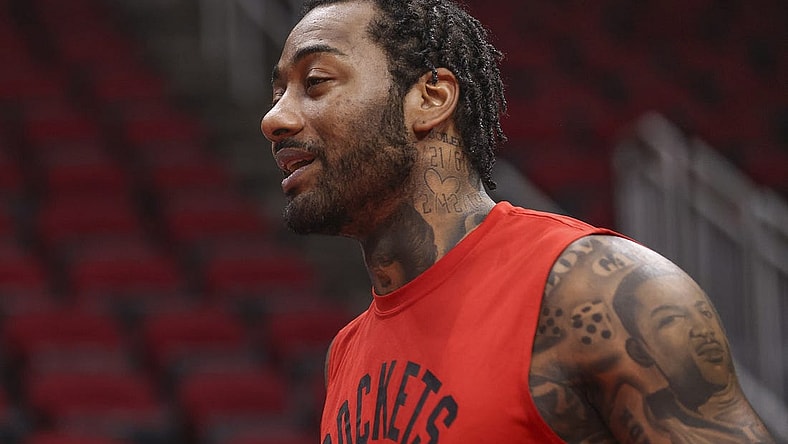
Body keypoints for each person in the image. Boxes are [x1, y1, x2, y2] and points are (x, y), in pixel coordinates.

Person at [260, 0, 776, 442]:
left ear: (432, 99)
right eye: (279, 92)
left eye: (317, 81)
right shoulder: (346, 355)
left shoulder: (598, 293)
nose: (275, 118)